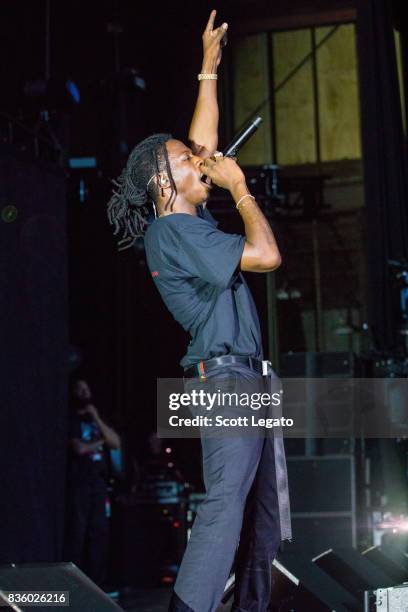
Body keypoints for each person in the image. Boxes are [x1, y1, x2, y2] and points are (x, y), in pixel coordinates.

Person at [107, 10, 291, 612]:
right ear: (163, 181)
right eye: (185, 160)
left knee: (262, 521)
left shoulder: (190, 221)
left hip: (245, 377)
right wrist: (239, 188)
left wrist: (208, 68)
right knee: (223, 506)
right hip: (224, 379)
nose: (200, 161)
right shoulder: (174, 232)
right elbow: (265, 254)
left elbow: (203, 145)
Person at [64, 377, 121, 587]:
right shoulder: (72, 420)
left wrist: (96, 417)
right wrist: (100, 442)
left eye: (86, 387)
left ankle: (97, 584)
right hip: (79, 483)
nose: (84, 392)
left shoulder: (98, 418)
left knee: (99, 533)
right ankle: (73, 583)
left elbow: (115, 442)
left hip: (99, 484)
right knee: (78, 534)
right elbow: (79, 449)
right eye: (79, 388)